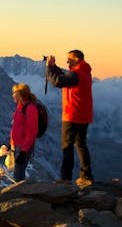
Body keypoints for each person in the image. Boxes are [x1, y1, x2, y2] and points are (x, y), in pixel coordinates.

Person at [46, 50, 94, 186]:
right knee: (81, 145)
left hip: (72, 114)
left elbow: (58, 81)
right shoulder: (84, 72)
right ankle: (86, 175)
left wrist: (49, 68)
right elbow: (65, 76)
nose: (67, 61)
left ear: (77, 59)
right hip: (84, 115)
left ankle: (65, 178)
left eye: (69, 58)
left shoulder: (76, 73)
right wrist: (55, 67)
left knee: (67, 146)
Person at [9, 83, 38, 182]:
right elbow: (16, 128)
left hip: (23, 146)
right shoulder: (20, 108)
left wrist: (24, 150)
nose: (12, 95)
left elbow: (32, 131)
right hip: (18, 145)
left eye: (14, 93)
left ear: (20, 94)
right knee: (18, 172)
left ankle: (19, 191)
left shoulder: (30, 108)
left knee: (18, 173)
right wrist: (11, 143)